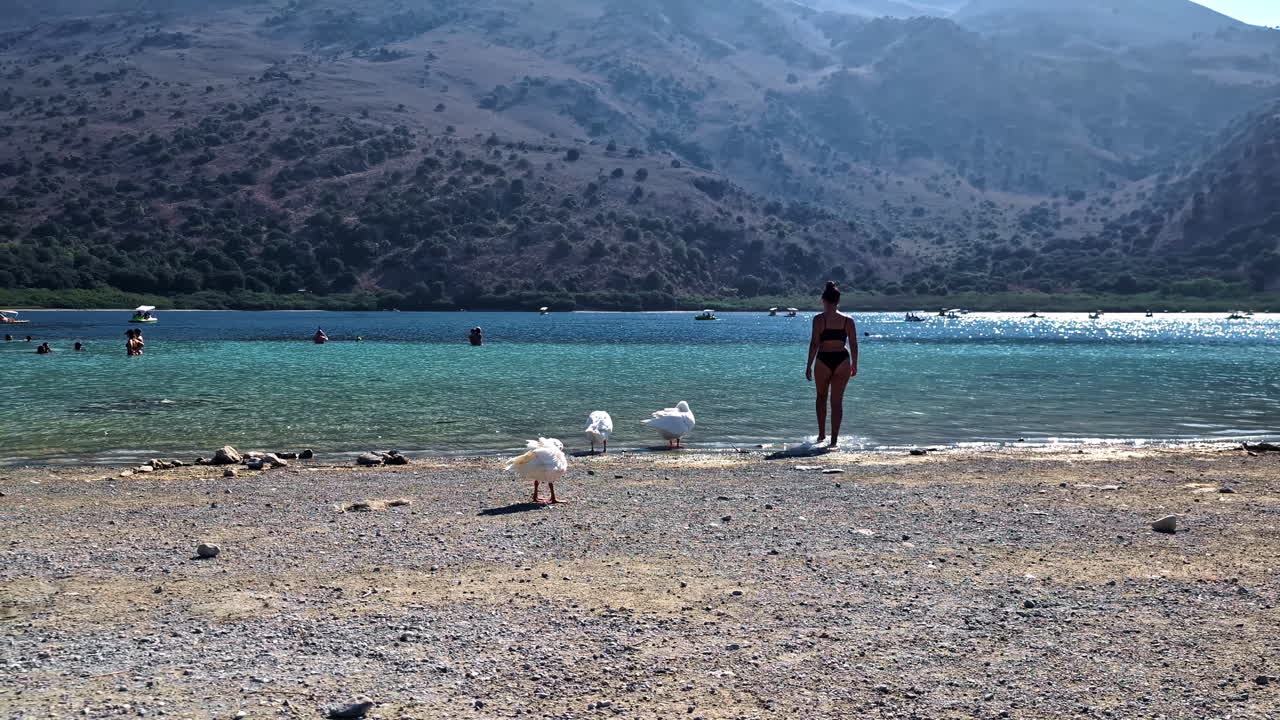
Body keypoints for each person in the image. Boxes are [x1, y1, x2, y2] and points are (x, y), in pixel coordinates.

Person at [805, 281, 859, 448]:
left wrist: (808, 366)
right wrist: (855, 363)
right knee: (837, 401)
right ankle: (834, 441)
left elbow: (814, 344)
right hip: (843, 360)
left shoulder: (819, 320)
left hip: (823, 359)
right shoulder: (847, 320)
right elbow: (854, 344)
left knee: (821, 398)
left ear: (823, 300)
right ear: (838, 300)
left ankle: (821, 436)